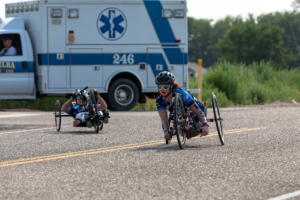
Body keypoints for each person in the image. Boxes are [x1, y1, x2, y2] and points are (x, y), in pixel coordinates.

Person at [155, 71, 209, 140]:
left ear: (171, 86)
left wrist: (206, 125)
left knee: (196, 130)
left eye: (165, 86)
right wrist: (166, 131)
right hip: (182, 114)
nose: (162, 89)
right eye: (159, 86)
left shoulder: (181, 94)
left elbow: (198, 111)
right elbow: (164, 118)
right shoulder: (159, 99)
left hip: (196, 111)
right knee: (184, 132)